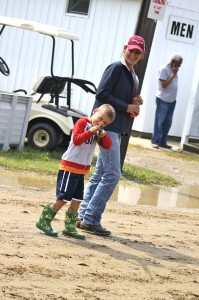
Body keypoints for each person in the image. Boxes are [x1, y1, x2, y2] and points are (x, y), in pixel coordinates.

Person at [77, 35, 145, 236]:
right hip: (108, 128)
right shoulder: (116, 68)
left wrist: (134, 102)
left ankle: (83, 216)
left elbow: (119, 99)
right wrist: (126, 106)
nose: (133, 54)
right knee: (113, 174)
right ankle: (90, 219)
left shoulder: (133, 75)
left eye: (137, 52)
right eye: (131, 50)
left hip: (117, 127)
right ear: (125, 48)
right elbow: (102, 94)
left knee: (100, 175)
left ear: (141, 55)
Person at [36, 104, 116, 239]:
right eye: (100, 118)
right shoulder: (82, 122)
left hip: (81, 170)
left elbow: (107, 146)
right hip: (69, 167)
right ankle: (44, 221)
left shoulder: (98, 130)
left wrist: (103, 135)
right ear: (94, 111)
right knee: (63, 197)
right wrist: (91, 131)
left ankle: (69, 226)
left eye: (105, 123)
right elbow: (77, 140)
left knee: (78, 198)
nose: (101, 123)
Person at [151, 53, 183, 149]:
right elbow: (163, 85)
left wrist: (174, 72)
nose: (179, 66)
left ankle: (162, 142)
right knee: (159, 122)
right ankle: (155, 141)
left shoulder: (174, 70)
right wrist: (173, 74)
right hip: (163, 100)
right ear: (174, 62)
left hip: (172, 101)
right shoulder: (164, 69)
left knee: (167, 123)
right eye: (179, 64)